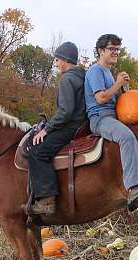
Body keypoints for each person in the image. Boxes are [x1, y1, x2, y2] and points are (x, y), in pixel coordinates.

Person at [84, 34, 138, 210]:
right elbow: (101, 98)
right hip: (100, 118)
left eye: (117, 50)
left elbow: (115, 98)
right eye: (112, 49)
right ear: (100, 50)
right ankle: (133, 187)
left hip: (114, 115)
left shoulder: (108, 73)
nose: (115, 52)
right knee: (127, 137)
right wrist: (117, 83)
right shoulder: (95, 71)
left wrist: (123, 87)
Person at [28, 41, 86, 215]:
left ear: (66, 60)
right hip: (82, 124)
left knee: (37, 151)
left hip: (71, 126)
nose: (55, 63)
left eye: (57, 59)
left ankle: (46, 200)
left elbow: (66, 111)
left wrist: (47, 129)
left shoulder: (68, 79)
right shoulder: (82, 76)